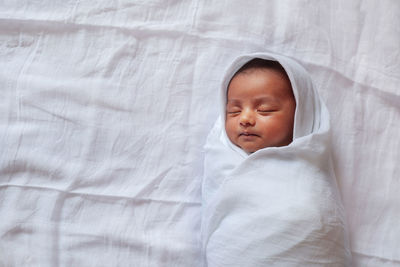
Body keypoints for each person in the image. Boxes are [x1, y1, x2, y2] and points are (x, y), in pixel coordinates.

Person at [201, 52, 352, 266]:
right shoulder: (221, 160)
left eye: (265, 110)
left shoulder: (309, 172)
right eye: (233, 111)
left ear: (301, 113)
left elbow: (320, 229)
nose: (245, 119)